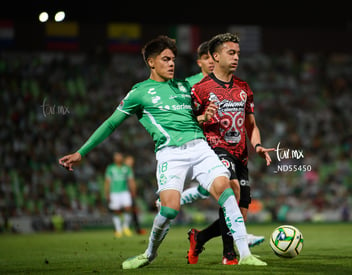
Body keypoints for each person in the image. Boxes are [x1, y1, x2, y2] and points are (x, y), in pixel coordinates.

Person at [58, 35, 267, 269]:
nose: (171, 64)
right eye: (166, 59)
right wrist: (81, 152)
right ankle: (149, 253)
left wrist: (203, 115)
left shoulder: (183, 86)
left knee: (227, 191)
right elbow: (110, 124)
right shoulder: (139, 92)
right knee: (169, 210)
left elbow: (202, 98)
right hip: (170, 154)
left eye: (173, 59)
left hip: (200, 148)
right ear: (151, 62)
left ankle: (245, 254)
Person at [186, 33, 275, 265]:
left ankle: (200, 237)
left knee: (239, 216)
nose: (236, 57)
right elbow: (187, 123)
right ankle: (229, 256)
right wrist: (203, 117)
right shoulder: (200, 89)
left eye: (238, 53)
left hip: (241, 155)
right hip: (215, 150)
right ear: (215, 56)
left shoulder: (243, 87)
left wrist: (257, 145)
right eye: (231, 53)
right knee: (232, 191)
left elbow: (252, 124)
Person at [104, 152, 135, 238]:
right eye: (118, 156)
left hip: (125, 191)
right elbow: (107, 181)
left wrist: (133, 190)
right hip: (114, 192)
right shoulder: (110, 168)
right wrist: (107, 193)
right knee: (116, 211)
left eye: (120, 156)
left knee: (128, 208)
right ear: (114, 158)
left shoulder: (126, 168)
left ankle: (126, 227)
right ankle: (118, 230)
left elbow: (130, 180)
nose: (119, 158)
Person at [124, 155, 146, 235]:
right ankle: (126, 228)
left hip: (129, 193)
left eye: (132, 162)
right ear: (125, 161)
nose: (131, 163)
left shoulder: (128, 170)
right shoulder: (125, 170)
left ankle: (135, 228)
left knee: (133, 211)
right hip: (125, 193)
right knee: (129, 210)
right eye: (129, 161)